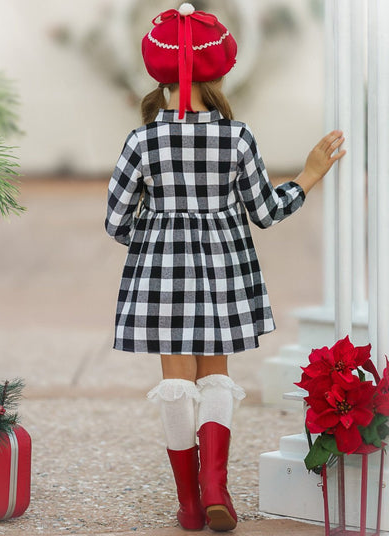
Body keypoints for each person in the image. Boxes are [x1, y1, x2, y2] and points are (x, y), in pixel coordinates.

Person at [105, 3, 346, 532]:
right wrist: (307, 175)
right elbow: (264, 211)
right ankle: (217, 487)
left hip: (162, 271)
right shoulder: (237, 137)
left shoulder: (141, 140)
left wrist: (157, 233)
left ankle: (190, 504)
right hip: (224, 269)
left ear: (157, 71)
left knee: (176, 380)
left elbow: (117, 221)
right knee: (216, 375)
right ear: (218, 68)